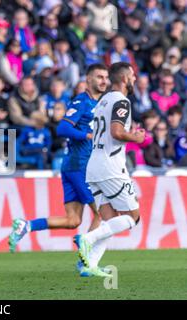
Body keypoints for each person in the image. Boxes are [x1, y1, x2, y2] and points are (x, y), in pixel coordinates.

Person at [9, 64, 112, 277]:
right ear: (88, 79)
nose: (103, 81)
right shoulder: (81, 102)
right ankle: (87, 262)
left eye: (106, 77)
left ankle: (26, 226)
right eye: (99, 77)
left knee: (73, 220)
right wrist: (87, 136)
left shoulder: (99, 103)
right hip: (80, 165)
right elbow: (62, 127)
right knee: (102, 212)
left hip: (74, 165)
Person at [75, 62, 145, 273]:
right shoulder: (122, 102)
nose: (134, 79)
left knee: (110, 220)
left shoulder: (103, 101)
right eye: (132, 76)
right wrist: (136, 137)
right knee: (133, 218)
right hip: (111, 166)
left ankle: (90, 266)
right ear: (124, 79)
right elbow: (116, 132)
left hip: (94, 166)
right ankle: (87, 238)